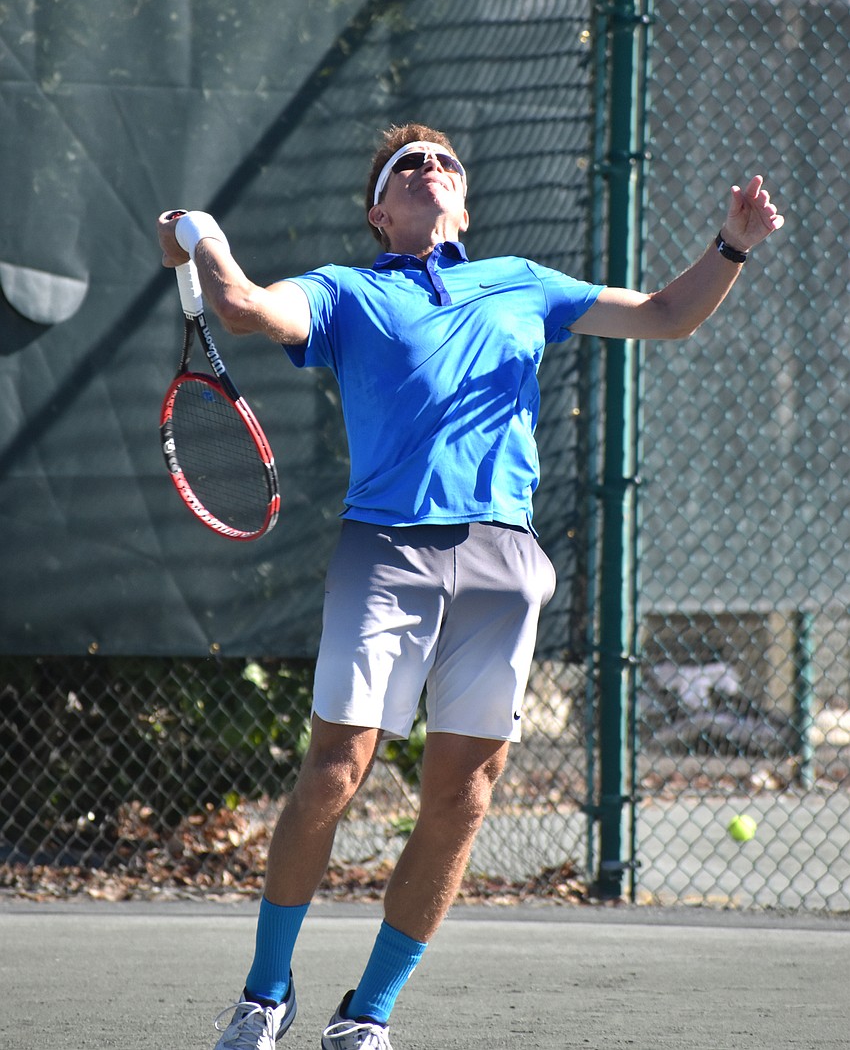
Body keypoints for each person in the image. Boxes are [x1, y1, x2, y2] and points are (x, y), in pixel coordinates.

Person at [157, 123, 783, 1050]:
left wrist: (731, 243)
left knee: (464, 795)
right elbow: (244, 307)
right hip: (387, 552)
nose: (429, 170)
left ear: (464, 202)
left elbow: (662, 315)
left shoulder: (524, 284)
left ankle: (365, 1015)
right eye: (407, 166)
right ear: (380, 211)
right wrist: (200, 230)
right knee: (334, 772)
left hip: (502, 561)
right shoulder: (345, 292)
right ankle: (265, 993)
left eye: (444, 163)